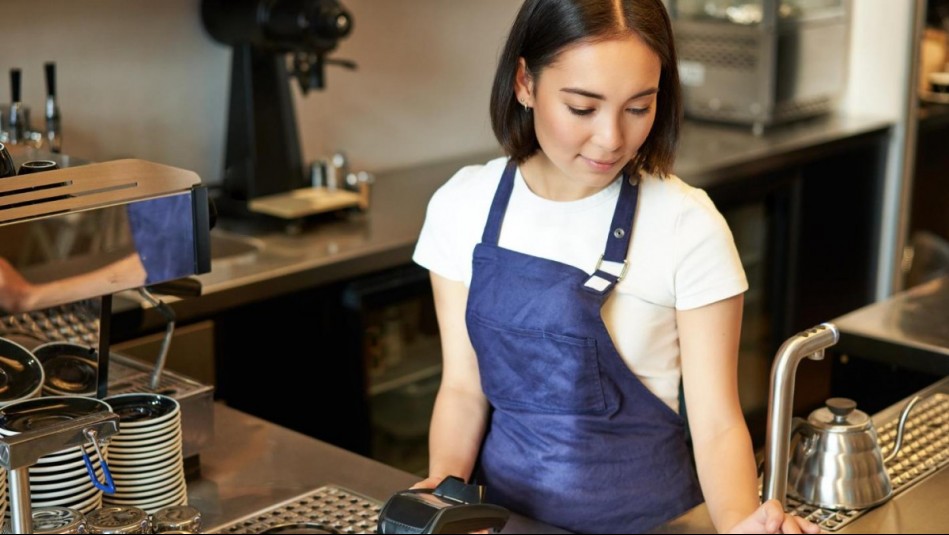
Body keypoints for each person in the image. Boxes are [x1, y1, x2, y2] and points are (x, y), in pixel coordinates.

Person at [411, 1, 821, 533]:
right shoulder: (462, 204)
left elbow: (717, 422)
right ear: (524, 83)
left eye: (638, 107)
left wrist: (744, 524)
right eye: (583, 107)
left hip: (656, 523)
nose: (612, 139)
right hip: (505, 521)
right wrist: (445, 497)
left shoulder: (686, 225)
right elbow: (465, 389)